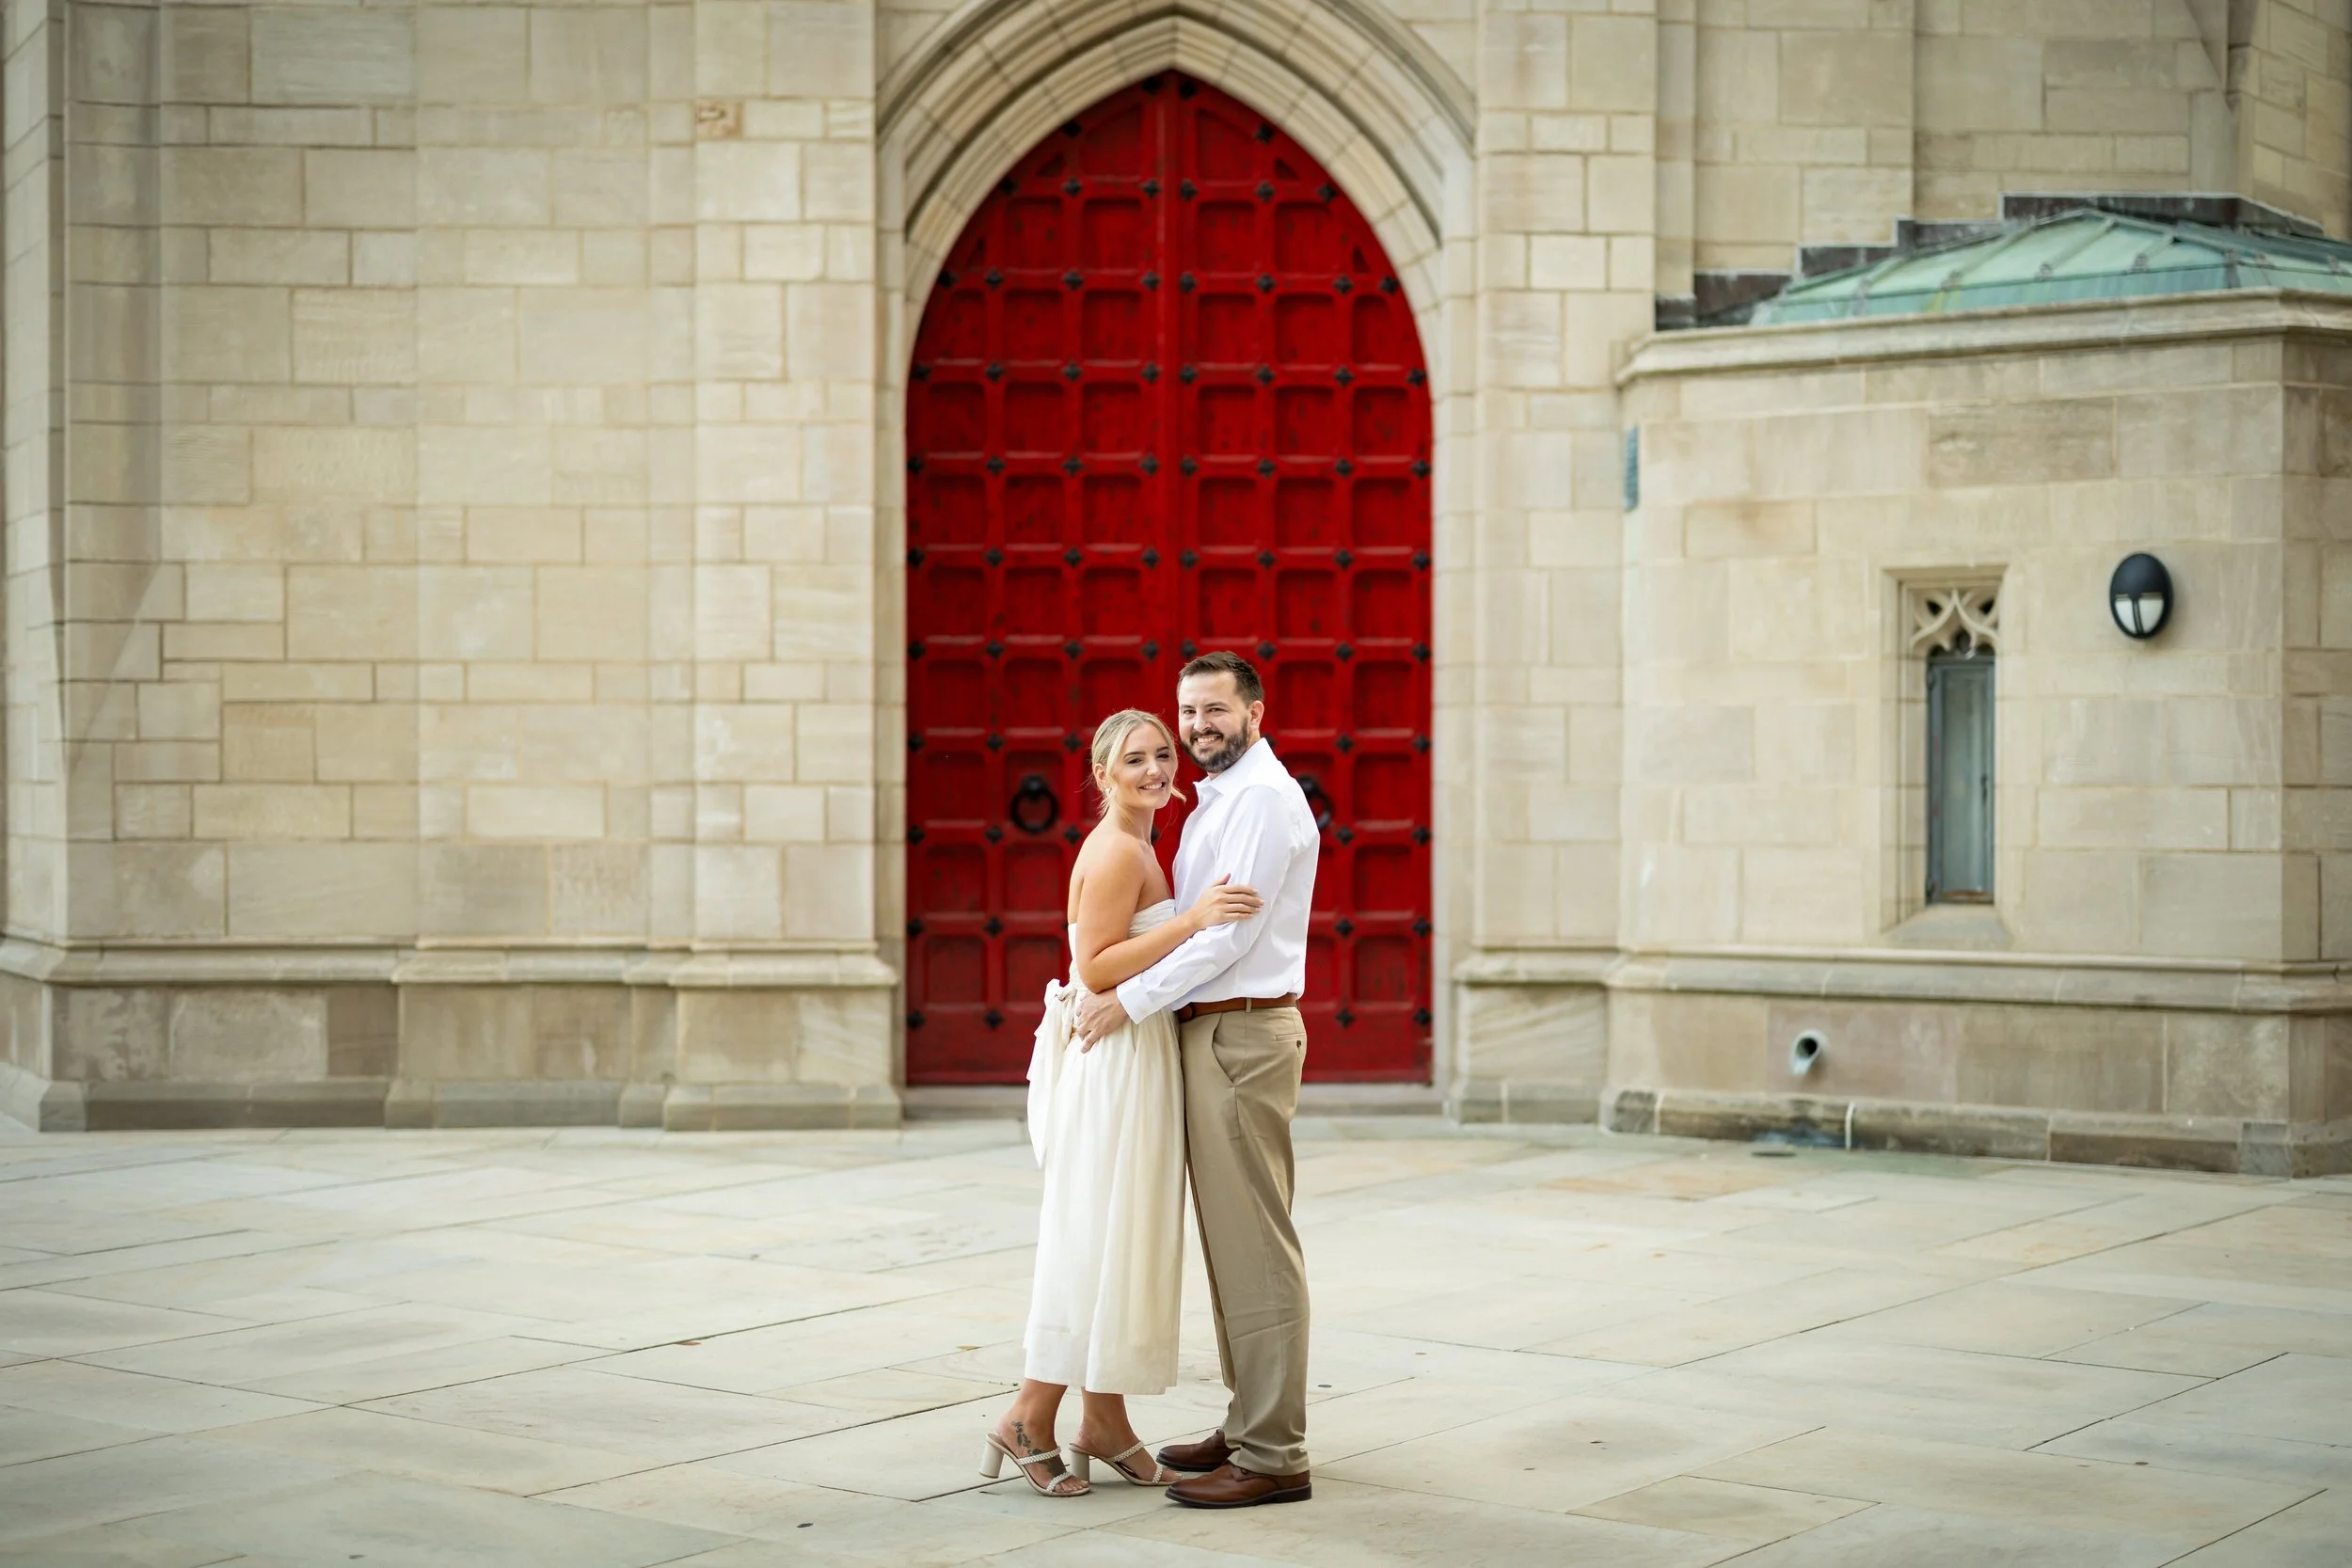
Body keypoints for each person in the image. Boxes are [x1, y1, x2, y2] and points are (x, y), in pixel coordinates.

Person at [980, 707, 1263, 1497]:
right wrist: (1194, 919)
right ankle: (1027, 1416)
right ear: (1102, 775)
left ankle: (1104, 1419)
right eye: (1134, 759)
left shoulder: (1138, 845)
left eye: (1163, 754)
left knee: (1118, 1233)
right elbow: (1097, 967)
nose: (1155, 769)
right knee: (1094, 1232)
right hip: (1115, 1063)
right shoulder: (1114, 850)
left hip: (1138, 1053)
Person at [1073, 652, 1321, 1510]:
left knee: (1256, 1246)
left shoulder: (1259, 799)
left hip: (1241, 1033)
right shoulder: (1222, 796)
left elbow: (1228, 938)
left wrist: (1128, 1000)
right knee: (1230, 1243)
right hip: (1214, 1032)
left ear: (1255, 711)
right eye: (1188, 711)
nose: (1198, 725)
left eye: (1215, 708)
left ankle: (1274, 1452)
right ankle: (1249, 1419)